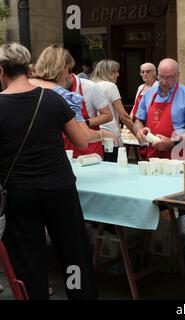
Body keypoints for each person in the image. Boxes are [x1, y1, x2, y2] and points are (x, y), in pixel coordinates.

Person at [0, 42, 97, 299]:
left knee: (28, 257)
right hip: (59, 188)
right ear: (28, 68)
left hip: (19, 193)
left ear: (1, 71)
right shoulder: (52, 98)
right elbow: (81, 141)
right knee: (73, 251)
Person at [30, 45, 114, 145]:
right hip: (50, 155)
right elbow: (83, 139)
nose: (70, 75)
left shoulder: (22, 87)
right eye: (69, 70)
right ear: (62, 69)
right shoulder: (66, 97)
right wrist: (104, 134)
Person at [135, 58, 185, 161]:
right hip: (153, 155)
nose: (164, 82)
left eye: (169, 78)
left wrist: (172, 142)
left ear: (177, 75)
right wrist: (139, 130)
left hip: (179, 155)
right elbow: (139, 120)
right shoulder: (148, 94)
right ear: (157, 74)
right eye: (161, 77)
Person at [92, 59, 136, 162]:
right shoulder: (110, 86)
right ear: (107, 72)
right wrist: (138, 135)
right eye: (115, 72)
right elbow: (124, 116)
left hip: (96, 138)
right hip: (111, 138)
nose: (118, 74)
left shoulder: (91, 85)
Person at [64, 73, 113, 159]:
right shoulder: (52, 87)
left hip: (89, 146)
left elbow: (108, 115)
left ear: (69, 76)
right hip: (65, 145)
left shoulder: (90, 87)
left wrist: (85, 123)